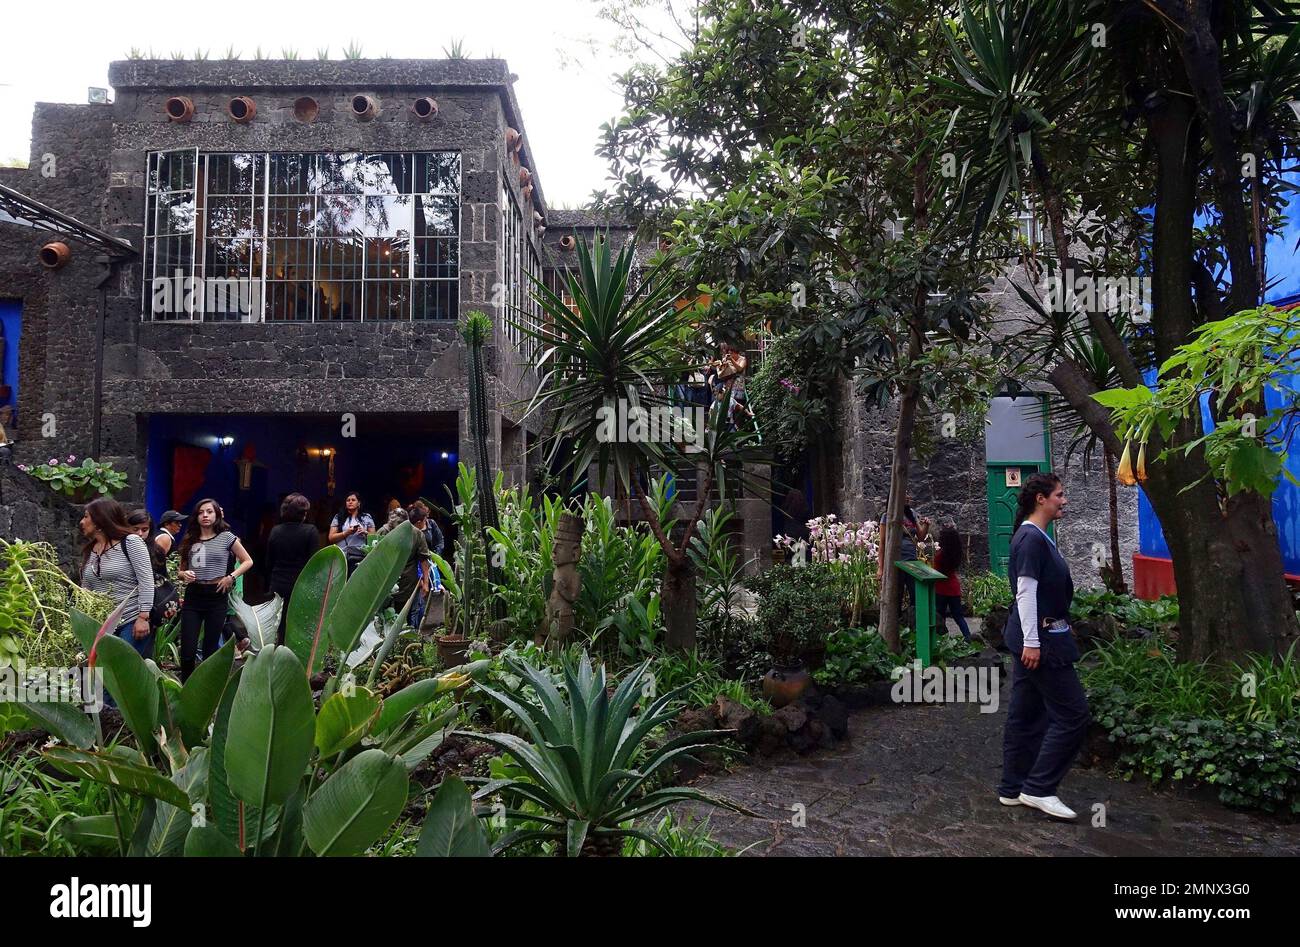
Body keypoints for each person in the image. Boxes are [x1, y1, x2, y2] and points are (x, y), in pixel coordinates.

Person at [997, 472, 1088, 821]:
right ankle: (1038, 788)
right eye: (1060, 495)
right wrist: (1033, 643)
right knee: (1073, 714)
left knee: (1025, 714)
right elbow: (1026, 593)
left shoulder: (1036, 536)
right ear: (1041, 499)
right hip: (1042, 643)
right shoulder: (1031, 540)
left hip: (1034, 640)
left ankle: (1012, 787)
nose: (1063, 501)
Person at [177, 499, 253, 680]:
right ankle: (186, 688)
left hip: (217, 595)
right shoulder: (190, 538)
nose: (205, 515)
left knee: (211, 649)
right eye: (201, 512)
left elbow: (248, 561)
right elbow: (181, 570)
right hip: (194, 594)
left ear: (217, 515)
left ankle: (208, 690)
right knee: (188, 649)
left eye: (209, 512)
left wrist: (231, 577)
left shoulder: (227, 537)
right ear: (196, 516)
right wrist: (184, 574)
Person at [79, 498, 155, 660]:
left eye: (86, 517)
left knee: (119, 676)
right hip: (101, 625)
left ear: (100, 519)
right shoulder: (90, 550)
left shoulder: (130, 542)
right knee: (100, 676)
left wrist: (143, 617)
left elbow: (146, 580)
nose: (82, 522)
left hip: (130, 621)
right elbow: (86, 589)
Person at [265, 493, 320, 646]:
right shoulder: (311, 531)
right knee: (298, 623)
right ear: (303, 514)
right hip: (301, 585)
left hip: (278, 583)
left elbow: (269, 561)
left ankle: (278, 654)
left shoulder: (275, 531)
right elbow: (314, 563)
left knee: (278, 624)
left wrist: (268, 584)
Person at [126, 509, 180, 631]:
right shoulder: (119, 549)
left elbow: (161, 580)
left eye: (144, 530)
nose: (140, 534)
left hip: (148, 607)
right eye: (135, 529)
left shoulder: (156, 551)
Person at [932, 523, 973, 642]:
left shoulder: (940, 556)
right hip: (954, 588)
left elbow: (936, 571)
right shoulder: (956, 554)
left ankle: (942, 639)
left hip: (941, 588)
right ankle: (968, 637)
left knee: (940, 615)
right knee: (958, 616)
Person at [328, 492, 375, 576]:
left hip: (359, 558)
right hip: (341, 558)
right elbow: (331, 538)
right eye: (348, 500)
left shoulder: (366, 517)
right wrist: (346, 533)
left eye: (353, 500)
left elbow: (375, 540)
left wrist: (365, 532)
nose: (350, 502)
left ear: (359, 503)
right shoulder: (338, 517)